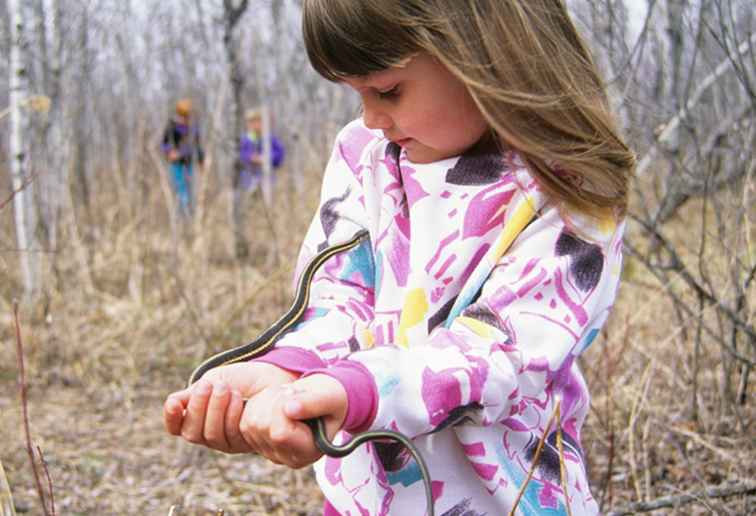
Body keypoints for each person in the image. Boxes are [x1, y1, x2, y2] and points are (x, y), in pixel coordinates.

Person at [163, 1, 635, 514]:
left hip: (506, 500)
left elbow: (502, 355)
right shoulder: (363, 155)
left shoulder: (564, 192)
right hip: (366, 498)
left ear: (483, 54)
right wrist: (292, 376)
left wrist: (358, 390)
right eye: (356, 94)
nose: (370, 116)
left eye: (388, 90)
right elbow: (339, 295)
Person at [233, 107, 286, 258]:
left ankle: (269, 245)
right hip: (248, 181)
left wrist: (266, 158)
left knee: (268, 213)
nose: (255, 125)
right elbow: (239, 157)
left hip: (267, 181)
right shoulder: (245, 140)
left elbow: (280, 156)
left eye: (258, 122)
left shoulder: (270, 139)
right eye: (252, 122)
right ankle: (249, 246)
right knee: (249, 212)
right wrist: (250, 158)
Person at [161, 98, 204, 218]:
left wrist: (202, 163)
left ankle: (191, 215)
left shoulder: (193, 128)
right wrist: (170, 153)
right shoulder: (171, 126)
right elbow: (164, 144)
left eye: (187, 115)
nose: (185, 119)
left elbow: (198, 147)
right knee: (180, 191)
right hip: (176, 164)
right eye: (182, 115)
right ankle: (181, 216)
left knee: (192, 191)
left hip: (190, 163)